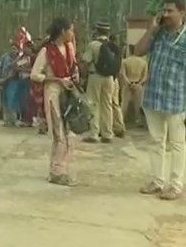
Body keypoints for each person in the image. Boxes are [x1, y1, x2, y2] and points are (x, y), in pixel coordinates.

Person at [135, 0, 186, 201]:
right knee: (156, 141)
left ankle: (175, 185)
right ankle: (157, 181)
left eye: (170, 11)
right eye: (163, 11)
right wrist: (151, 29)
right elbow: (138, 51)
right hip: (154, 96)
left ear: (182, 13)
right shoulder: (159, 34)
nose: (165, 14)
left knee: (177, 143)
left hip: (175, 100)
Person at [30, 18, 81, 186]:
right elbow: (34, 74)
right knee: (59, 134)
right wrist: (56, 79)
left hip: (68, 93)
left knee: (70, 134)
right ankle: (58, 171)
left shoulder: (70, 48)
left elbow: (74, 67)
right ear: (62, 32)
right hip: (53, 93)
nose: (73, 34)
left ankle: (58, 169)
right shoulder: (47, 51)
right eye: (71, 30)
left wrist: (74, 76)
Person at [81, 21, 119, 143]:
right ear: (108, 32)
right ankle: (107, 134)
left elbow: (86, 62)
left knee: (93, 104)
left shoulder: (93, 45)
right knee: (107, 105)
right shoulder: (112, 45)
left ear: (97, 31)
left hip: (95, 76)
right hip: (110, 78)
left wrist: (83, 77)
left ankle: (94, 133)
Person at [120, 45, 148, 127]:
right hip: (138, 84)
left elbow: (123, 74)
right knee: (137, 104)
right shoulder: (143, 62)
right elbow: (145, 76)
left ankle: (122, 121)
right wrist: (138, 83)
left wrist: (129, 83)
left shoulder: (125, 62)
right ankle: (138, 120)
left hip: (128, 84)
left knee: (124, 104)